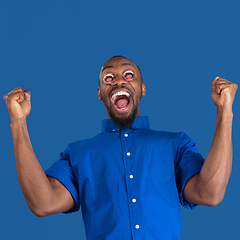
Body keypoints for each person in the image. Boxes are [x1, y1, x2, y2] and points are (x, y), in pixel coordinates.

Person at [3, 55, 238, 240]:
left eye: (128, 74)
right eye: (108, 78)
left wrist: (224, 111)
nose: (118, 81)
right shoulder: (79, 153)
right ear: (100, 94)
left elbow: (210, 193)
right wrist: (18, 122)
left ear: (142, 88)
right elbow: (43, 203)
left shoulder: (174, 144)